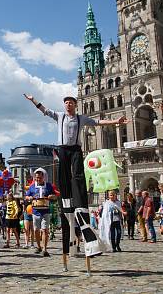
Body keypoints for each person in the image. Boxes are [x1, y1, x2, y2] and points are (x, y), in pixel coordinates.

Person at [24, 93, 128, 261]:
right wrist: (33, 100)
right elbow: (44, 110)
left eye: (71, 103)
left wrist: (116, 121)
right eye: (66, 103)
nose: (68, 105)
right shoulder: (59, 116)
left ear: (75, 105)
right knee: (63, 176)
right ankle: (66, 192)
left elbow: (98, 122)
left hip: (75, 150)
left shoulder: (81, 118)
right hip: (63, 149)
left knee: (78, 174)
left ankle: (79, 193)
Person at [25, 168, 58, 257]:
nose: (38, 179)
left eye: (39, 178)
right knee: (36, 230)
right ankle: (39, 246)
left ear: (43, 177)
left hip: (46, 211)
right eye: (36, 178)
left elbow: (55, 196)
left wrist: (52, 196)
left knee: (45, 230)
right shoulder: (32, 187)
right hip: (35, 211)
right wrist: (29, 198)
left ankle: (45, 249)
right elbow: (26, 196)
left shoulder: (48, 186)